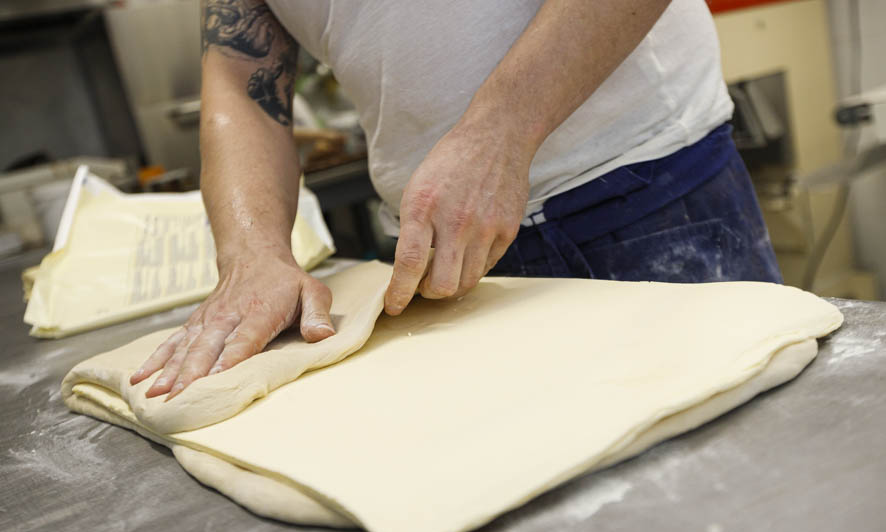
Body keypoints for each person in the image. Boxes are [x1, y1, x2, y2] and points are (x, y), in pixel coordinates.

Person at [131, 0, 782, 400]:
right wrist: (252, 252)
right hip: (447, 253)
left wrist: (503, 127)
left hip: (645, 193)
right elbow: (242, 73)